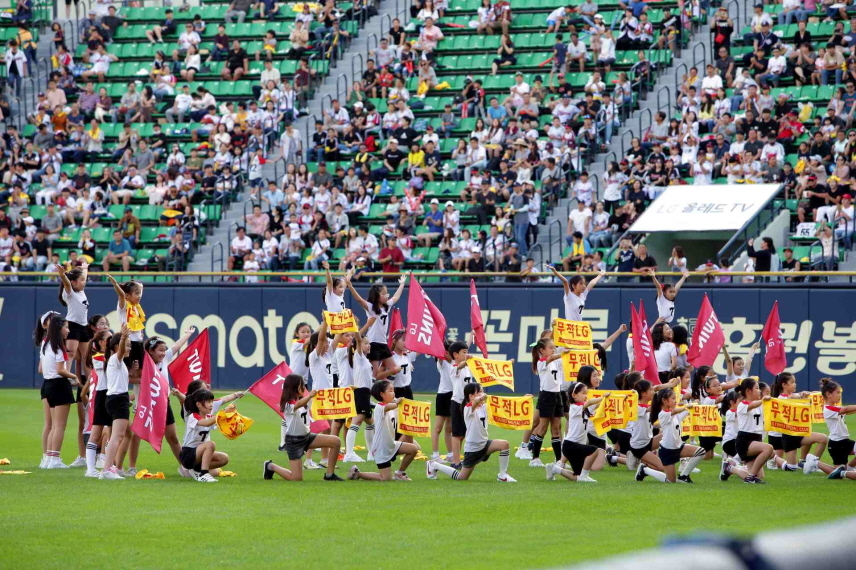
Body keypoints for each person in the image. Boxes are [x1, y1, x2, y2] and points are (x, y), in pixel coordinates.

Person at [427, 382, 516, 482]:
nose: (482, 394)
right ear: (471, 396)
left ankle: (502, 475)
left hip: (484, 444)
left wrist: (522, 400)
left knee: (504, 444)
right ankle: (434, 465)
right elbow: (476, 402)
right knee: (462, 477)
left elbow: (502, 403)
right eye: (480, 391)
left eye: (482, 391)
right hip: (473, 448)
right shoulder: (468, 408)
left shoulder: (483, 406)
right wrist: (482, 397)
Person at [346, 380, 420, 482]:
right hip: (381, 448)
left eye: (393, 390)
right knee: (385, 478)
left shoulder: (392, 406)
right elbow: (388, 407)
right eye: (390, 390)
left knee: (413, 449)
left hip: (391, 444)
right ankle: (357, 473)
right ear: (382, 394)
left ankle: (400, 473)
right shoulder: (380, 407)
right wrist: (398, 403)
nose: (393, 393)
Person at [345, 274, 407, 375]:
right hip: (373, 342)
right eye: (384, 293)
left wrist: (402, 284)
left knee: (394, 369)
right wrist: (350, 285)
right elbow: (359, 300)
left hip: (383, 343)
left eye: (387, 293)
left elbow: (396, 296)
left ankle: (381, 383)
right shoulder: (371, 308)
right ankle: (374, 388)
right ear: (377, 296)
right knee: (374, 373)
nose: (387, 295)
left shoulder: (387, 306)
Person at [180, 387, 244, 483]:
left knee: (224, 458)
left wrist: (232, 418)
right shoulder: (193, 416)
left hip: (199, 455)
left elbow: (219, 421)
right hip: (187, 454)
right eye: (208, 402)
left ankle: (196, 470)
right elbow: (206, 423)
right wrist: (224, 412)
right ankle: (204, 474)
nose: (211, 405)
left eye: (211, 402)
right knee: (210, 444)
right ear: (198, 405)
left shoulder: (209, 417)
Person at [770, 373, 830, 475]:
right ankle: (772, 457)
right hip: (788, 437)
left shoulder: (794, 396)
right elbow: (793, 397)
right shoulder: (781, 398)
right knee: (791, 468)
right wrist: (801, 395)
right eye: (792, 382)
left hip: (800, 433)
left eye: (795, 382)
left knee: (823, 438)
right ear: (784, 385)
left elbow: (803, 397)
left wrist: (817, 394)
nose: (795, 384)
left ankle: (810, 464)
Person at [40, 315, 80, 469]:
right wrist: (74, 376)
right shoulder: (58, 346)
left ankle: (49, 459)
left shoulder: (46, 344)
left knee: (54, 425)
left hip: (48, 385)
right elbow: (61, 370)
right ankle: (55, 459)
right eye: (66, 327)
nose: (68, 331)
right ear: (59, 328)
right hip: (59, 385)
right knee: (59, 426)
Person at [643, 390, 707, 483]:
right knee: (671, 481)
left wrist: (693, 405)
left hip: (679, 447)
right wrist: (686, 406)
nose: (675, 401)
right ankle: (645, 470)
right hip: (667, 451)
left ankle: (684, 476)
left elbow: (683, 412)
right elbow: (677, 411)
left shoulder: (674, 415)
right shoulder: (663, 414)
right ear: (664, 401)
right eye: (673, 398)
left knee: (700, 452)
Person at [545, 381, 603, 483]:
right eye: (583, 393)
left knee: (576, 477)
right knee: (594, 450)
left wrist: (614, 397)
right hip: (571, 445)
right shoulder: (574, 407)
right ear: (574, 395)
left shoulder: (584, 407)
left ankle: (555, 469)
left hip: (575, 446)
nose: (586, 396)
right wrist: (603, 397)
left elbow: (598, 404)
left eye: (586, 393)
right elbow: (589, 403)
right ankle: (584, 475)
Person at [528, 338, 564, 468]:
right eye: (550, 347)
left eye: (554, 347)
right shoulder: (541, 362)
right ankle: (535, 458)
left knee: (556, 428)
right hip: (546, 396)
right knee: (542, 428)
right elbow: (552, 358)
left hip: (557, 395)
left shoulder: (556, 361)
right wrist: (563, 353)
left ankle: (559, 460)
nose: (553, 349)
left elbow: (560, 358)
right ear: (542, 350)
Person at [734, 377, 774, 484]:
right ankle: (751, 477)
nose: (759, 391)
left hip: (756, 440)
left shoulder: (760, 405)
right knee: (768, 449)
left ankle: (730, 469)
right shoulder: (742, 405)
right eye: (757, 388)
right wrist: (762, 401)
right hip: (745, 441)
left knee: (760, 475)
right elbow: (752, 405)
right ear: (748, 391)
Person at [821, 379, 856, 480]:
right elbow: (846, 409)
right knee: (838, 473)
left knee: (839, 471)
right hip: (837, 444)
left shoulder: (834, 408)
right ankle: (815, 463)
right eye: (838, 392)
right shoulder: (828, 408)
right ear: (828, 394)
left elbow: (849, 411)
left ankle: (849, 467)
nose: (840, 395)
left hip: (842, 442)